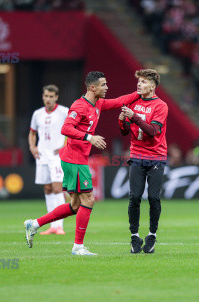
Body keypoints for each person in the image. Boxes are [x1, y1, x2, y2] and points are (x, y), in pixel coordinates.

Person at [24, 71, 139, 255]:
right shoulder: (79, 106)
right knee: (89, 200)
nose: (107, 87)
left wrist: (140, 93)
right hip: (74, 159)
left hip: (75, 158)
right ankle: (78, 247)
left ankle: (34, 224)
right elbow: (66, 128)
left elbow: (119, 101)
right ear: (92, 87)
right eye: (103, 85)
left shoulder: (98, 103)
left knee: (76, 205)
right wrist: (89, 137)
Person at [119, 69, 168, 254]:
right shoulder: (132, 102)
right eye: (138, 81)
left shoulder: (161, 106)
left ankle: (152, 235)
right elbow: (125, 131)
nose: (139, 84)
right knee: (135, 197)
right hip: (137, 155)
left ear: (153, 86)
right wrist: (122, 121)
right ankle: (134, 237)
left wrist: (134, 116)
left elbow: (153, 131)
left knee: (154, 197)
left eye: (143, 82)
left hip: (156, 156)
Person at [28, 84, 68, 235]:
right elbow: (32, 133)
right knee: (48, 189)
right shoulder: (37, 114)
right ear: (43, 97)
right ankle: (53, 225)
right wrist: (32, 147)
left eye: (51, 96)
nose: (48, 99)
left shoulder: (64, 112)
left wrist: (65, 147)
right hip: (42, 155)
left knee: (58, 188)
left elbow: (73, 131)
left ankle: (60, 226)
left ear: (56, 97)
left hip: (57, 156)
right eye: (46, 96)